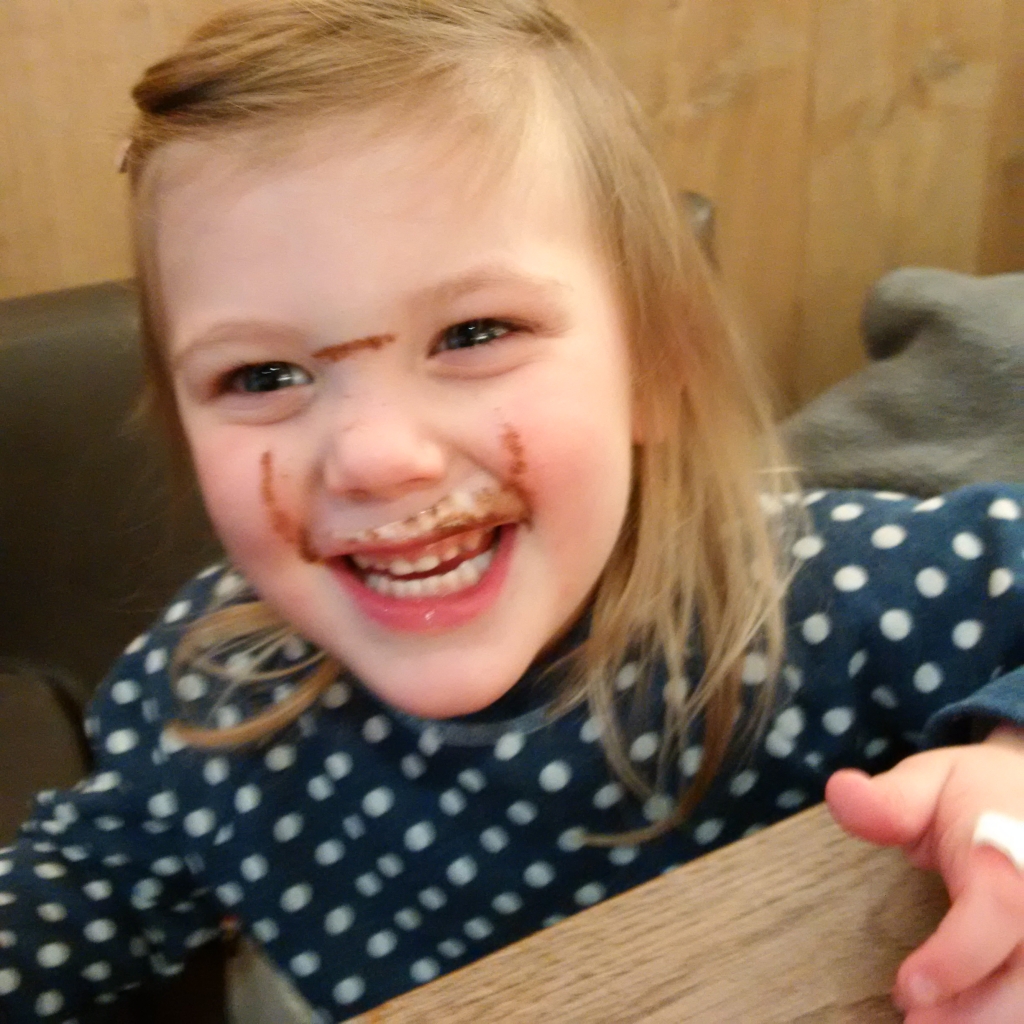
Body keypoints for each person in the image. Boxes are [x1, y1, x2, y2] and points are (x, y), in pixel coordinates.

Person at [1, 1, 1022, 1021]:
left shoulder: (830, 594)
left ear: (654, 365)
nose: (376, 457)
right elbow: (75, 892)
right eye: (263, 375)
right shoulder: (207, 700)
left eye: (473, 332)